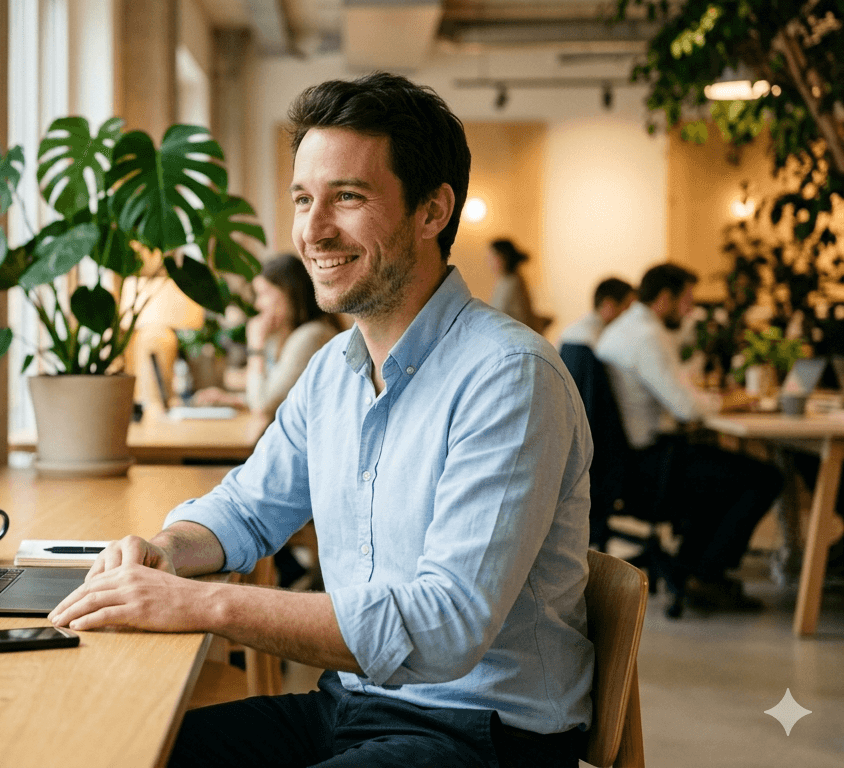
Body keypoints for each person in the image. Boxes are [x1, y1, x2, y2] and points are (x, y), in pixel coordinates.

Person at [50, 72, 595, 768]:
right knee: (114, 752)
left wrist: (200, 605)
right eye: (304, 198)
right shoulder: (335, 369)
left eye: (348, 197)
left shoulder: (510, 377)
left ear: (433, 211)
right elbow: (248, 510)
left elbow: (445, 628)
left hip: (480, 734)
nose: (312, 229)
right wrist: (165, 550)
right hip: (349, 704)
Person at [595, 263, 782, 611]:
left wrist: (713, 399)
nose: (691, 309)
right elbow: (685, 408)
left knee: (725, 468)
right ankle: (705, 575)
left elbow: (678, 392)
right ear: (665, 299)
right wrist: (730, 401)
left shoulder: (626, 329)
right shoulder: (646, 336)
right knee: (763, 477)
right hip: (651, 469)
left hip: (629, 465)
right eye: (687, 300)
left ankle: (693, 567)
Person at [194, 254, 343, 417]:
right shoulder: (287, 337)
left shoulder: (312, 336)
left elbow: (263, 406)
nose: (257, 304)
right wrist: (233, 400)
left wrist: (256, 347)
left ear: (288, 293)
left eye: (263, 293)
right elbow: (276, 395)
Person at [487, 238, 549, 333]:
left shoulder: (511, 282)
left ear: (503, 257)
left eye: (492, 257)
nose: (489, 262)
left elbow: (498, 315)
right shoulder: (506, 281)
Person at [558, 277, 635, 351]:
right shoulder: (593, 340)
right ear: (609, 304)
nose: (631, 314)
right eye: (627, 306)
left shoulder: (569, 332)